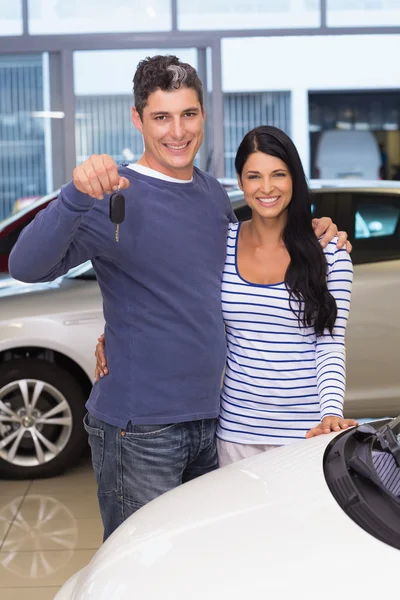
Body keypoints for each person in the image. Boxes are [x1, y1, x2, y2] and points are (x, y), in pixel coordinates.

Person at [9, 55, 349, 541]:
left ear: (203, 115)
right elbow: (26, 267)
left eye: (188, 114)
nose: (177, 131)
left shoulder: (212, 195)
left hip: (212, 421)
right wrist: (74, 196)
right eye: (161, 117)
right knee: (142, 572)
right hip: (140, 430)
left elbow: (216, 284)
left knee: (197, 568)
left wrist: (314, 228)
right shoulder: (111, 196)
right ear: (137, 118)